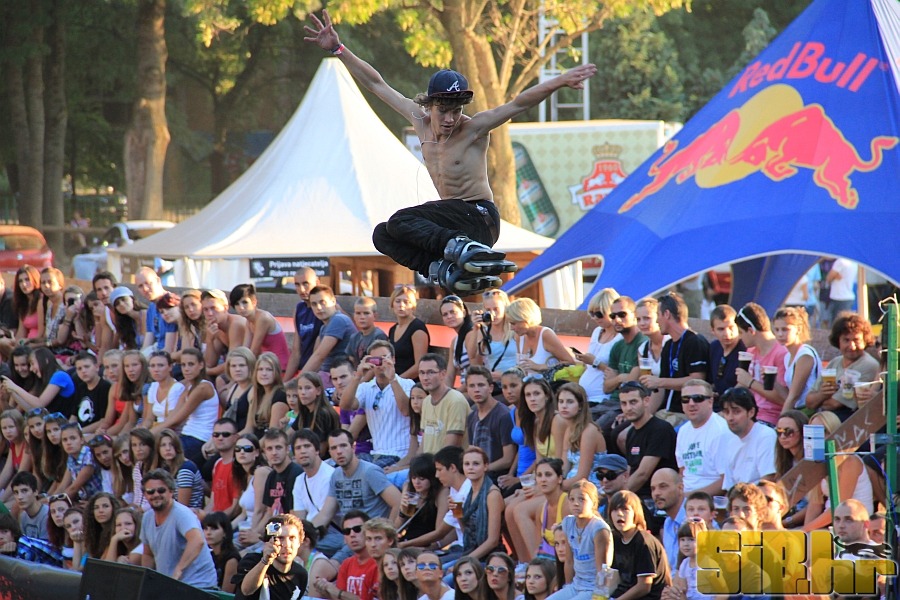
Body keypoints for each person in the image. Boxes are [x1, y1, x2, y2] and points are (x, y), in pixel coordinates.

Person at [305, 11, 596, 293]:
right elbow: (376, 84)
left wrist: (559, 81)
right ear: (429, 105)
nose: (449, 119)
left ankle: (459, 249)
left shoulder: (473, 129)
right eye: (443, 111)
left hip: (480, 217)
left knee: (400, 221)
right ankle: (442, 270)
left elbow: (518, 104)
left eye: (456, 111)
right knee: (383, 234)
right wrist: (339, 49)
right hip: (453, 223)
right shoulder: (417, 119)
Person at [340, 340, 414, 468]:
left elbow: (406, 410)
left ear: (393, 359)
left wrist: (392, 379)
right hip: (375, 453)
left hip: (400, 454)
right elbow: (345, 405)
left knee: (365, 473)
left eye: (384, 358)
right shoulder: (366, 388)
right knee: (340, 468)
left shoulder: (407, 384)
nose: (380, 363)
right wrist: (358, 376)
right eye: (376, 359)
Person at [140, 469, 218, 588]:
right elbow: (148, 555)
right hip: (170, 587)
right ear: (145, 494)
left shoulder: (182, 513)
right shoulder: (147, 518)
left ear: (171, 491)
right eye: (150, 491)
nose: (156, 494)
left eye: (161, 490)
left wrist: (178, 571)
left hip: (198, 586)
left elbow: (197, 541)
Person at [642, 292, 708, 421]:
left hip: (686, 413)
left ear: (666, 314)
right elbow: (660, 388)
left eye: (658, 315)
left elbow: (697, 380)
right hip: (667, 412)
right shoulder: (668, 346)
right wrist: (644, 416)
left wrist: (659, 382)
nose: (656, 320)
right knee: (626, 433)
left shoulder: (695, 342)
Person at [805, 311, 879, 420]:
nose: (852, 346)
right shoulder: (835, 362)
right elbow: (809, 402)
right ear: (838, 341)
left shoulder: (868, 364)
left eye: (856, 340)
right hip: (823, 418)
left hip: (848, 421)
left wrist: (820, 399)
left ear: (865, 340)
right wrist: (823, 394)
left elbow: (834, 404)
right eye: (846, 340)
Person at [546, 481, 612, 600]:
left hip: (593, 588)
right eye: (572, 499)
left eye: (582, 499)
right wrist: (567, 587)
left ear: (593, 503)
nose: (576, 503)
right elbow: (569, 561)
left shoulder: (599, 529)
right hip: (576, 585)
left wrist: (600, 596)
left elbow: (603, 569)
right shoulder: (567, 522)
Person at [320, 429, 401, 525]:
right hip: (350, 535)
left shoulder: (370, 472)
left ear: (353, 447)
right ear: (329, 452)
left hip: (372, 535)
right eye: (334, 448)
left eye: (343, 446)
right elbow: (325, 514)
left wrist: (387, 533)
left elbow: (398, 502)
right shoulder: (336, 475)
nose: (339, 451)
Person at [674, 379, 738, 496]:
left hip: (710, 501)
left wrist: (690, 497)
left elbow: (726, 481)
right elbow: (683, 472)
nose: (691, 403)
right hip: (685, 499)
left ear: (711, 401)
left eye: (698, 398)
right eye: (685, 399)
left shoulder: (721, 431)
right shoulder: (683, 430)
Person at [619, 382, 677, 500]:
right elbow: (631, 469)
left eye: (633, 402)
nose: (628, 408)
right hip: (637, 495)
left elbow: (643, 474)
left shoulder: (660, 429)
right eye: (624, 403)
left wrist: (619, 498)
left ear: (646, 401)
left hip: (655, 497)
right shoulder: (631, 433)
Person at [733, 302, 788, 426]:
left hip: (770, 417)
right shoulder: (751, 351)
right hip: (749, 413)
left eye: (741, 332)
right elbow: (743, 383)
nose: (739, 338)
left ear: (751, 330)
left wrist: (751, 383)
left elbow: (783, 398)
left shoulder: (780, 353)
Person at [291, 429, 344, 557]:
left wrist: (298, 541)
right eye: (298, 448)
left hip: (331, 533)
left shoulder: (331, 475)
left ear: (317, 450)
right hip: (309, 533)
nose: (303, 451)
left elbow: (324, 518)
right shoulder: (299, 480)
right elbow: (299, 518)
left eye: (307, 446)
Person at [608, 490, 670, 600]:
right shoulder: (615, 539)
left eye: (625, 509)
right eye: (615, 510)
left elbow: (644, 586)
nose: (619, 513)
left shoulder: (643, 542)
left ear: (635, 513)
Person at [598, 296, 646, 433]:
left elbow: (632, 382)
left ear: (634, 315)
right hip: (609, 402)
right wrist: (619, 378)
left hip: (627, 405)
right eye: (613, 316)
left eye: (622, 314)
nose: (617, 320)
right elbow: (606, 388)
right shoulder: (617, 346)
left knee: (594, 429)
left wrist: (618, 379)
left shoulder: (642, 343)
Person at [233, 514, 308, 600]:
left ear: (299, 542)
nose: (287, 545)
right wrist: (265, 561)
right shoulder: (251, 561)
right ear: (267, 542)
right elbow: (247, 590)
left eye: (292, 538)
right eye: (280, 538)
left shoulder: (300, 574)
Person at [574, 288, 621, 417]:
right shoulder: (597, 332)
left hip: (602, 399)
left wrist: (594, 362)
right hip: (585, 397)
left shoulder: (620, 338)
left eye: (599, 314)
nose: (595, 318)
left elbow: (617, 373)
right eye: (592, 313)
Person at [313, 510, 378, 600]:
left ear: (369, 532)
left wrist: (335, 591)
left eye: (357, 529)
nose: (352, 534)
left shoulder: (379, 563)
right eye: (347, 531)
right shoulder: (346, 564)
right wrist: (325, 590)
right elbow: (341, 597)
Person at [719, 387, 776, 489]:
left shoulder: (766, 435)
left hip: (760, 500)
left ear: (751, 412)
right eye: (726, 412)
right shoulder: (728, 439)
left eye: (736, 412)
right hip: (737, 500)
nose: (730, 417)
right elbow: (729, 487)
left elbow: (768, 481)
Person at [465, 366, 515, 482]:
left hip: (497, 478)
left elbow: (508, 459)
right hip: (478, 476)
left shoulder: (503, 415)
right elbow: (473, 450)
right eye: (472, 386)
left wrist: (482, 469)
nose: (476, 390)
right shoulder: (472, 417)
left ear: (491, 388)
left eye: (481, 385)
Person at [230, 283, 291, 370]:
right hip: (266, 365)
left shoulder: (263, 318)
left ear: (254, 302)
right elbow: (245, 349)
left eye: (245, 302)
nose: (241, 308)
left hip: (279, 367)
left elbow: (254, 350)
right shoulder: (249, 322)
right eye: (237, 304)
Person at [508, 298, 575, 375]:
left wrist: (540, 366)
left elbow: (569, 362)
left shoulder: (546, 334)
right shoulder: (519, 336)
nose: (511, 328)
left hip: (547, 385)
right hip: (527, 385)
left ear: (525, 319)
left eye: (513, 323)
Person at [772, 306, 820, 413]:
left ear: (798, 329)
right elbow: (789, 396)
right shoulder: (788, 356)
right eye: (777, 329)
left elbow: (794, 397)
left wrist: (781, 424)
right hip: (798, 410)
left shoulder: (805, 355)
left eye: (785, 329)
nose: (780, 334)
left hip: (810, 411)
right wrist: (773, 381)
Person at [419, 353, 469, 454]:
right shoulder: (426, 401)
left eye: (431, 372)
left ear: (443, 374)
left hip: (446, 466)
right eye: (422, 373)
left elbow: (451, 447)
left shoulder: (455, 400)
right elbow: (423, 444)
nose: (425, 377)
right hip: (426, 464)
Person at [305, 285, 356, 385]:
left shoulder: (339, 319)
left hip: (338, 378)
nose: (318, 307)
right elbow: (316, 356)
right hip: (326, 375)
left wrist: (297, 380)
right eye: (314, 304)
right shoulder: (324, 327)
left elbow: (320, 356)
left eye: (322, 302)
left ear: (333, 301)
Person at [467, 290, 518, 380]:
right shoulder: (484, 331)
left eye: (496, 309)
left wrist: (504, 375)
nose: (492, 314)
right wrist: (475, 328)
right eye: (488, 310)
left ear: (505, 308)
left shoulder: (514, 329)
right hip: (494, 384)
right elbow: (472, 356)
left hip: (515, 380)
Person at [284, 267, 322, 380]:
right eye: (297, 284)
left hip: (320, 372)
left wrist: (298, 380)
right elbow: (296, 352)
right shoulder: (299, 309)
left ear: (317, 283)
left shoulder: (326, 309)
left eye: (306, 284)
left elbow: (320, 355)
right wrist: (284, 383)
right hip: (302, 371)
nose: (301, 289)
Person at [202, 289, 248, 378]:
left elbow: (233, 361)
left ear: (225, 308)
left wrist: (209, 372)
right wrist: (209, 339)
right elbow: (210, 363)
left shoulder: (235, 325)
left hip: (257, 368)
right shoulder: (217, 327)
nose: (210, 313)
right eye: (205, 309)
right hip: (239, 370)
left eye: (213, 308)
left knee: (218, 379)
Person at [388, 287, 430, 381]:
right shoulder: (393, 329)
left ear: (413, 306)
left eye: (406, 302)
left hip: (411, 384)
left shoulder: (417, 329)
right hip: (394, 380)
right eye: (398, 301)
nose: (401, 305)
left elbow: (420, 365)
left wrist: (396, 381)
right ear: (392, 304)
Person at [650, 468, 685, 573]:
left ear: (680, 488)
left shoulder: (695, 518)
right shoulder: (667, 524)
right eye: (653, 489)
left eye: (663, 486)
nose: (656, 493)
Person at [706, 305, 745, 399]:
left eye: (731, 327)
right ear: (713, 330)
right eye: (721, 329)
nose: (727, 334)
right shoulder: (714, 347)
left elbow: (744, 385)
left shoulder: (745, 350)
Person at [135, 266, 177, 353]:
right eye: (140, 286)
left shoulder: (171, 303)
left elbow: (169, 348)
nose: (145, 289)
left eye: (148, 283)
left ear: (158, 281)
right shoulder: (151, 307)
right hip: (155, 350)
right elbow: (148, 341)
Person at [439, 295, 473, 389]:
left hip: (475, 388)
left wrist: (455, 394)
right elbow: (449, 376)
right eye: (445, 314)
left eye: (453, 312)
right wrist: (444, 395)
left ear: (464, 312)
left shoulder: (471, 334)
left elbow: (476, 374)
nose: (449, 316)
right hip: (464, 391)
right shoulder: (455, 342)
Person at [72, 352, 111, 432]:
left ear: (97, 367)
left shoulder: (105, 387)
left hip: (94, 433)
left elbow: (103, 420)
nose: (83, 371)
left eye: (87, 367)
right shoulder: (80, 387)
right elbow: (74, 416)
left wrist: (79, 432)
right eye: (79, 368)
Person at [202, 511, 240, 592]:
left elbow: (226, 593)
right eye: (206, 528)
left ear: (225, 533)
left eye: (214, 528)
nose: (208, 533)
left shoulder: (231, 560)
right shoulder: (208, 555)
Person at [346, 297, 389, 363]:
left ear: (375, 316)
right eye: (358, 313)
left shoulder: (379, 336)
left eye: (366, 313)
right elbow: (350, 361)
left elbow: (379, 363)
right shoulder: (354, 337)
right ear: (354, 315)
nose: (362, 317)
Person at [12, 471, 49, 541]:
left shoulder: (46, 515)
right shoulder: (23, 516)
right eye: (16, 492)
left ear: (35, 492)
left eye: (24, 491)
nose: (19, 497)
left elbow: (45, 547)